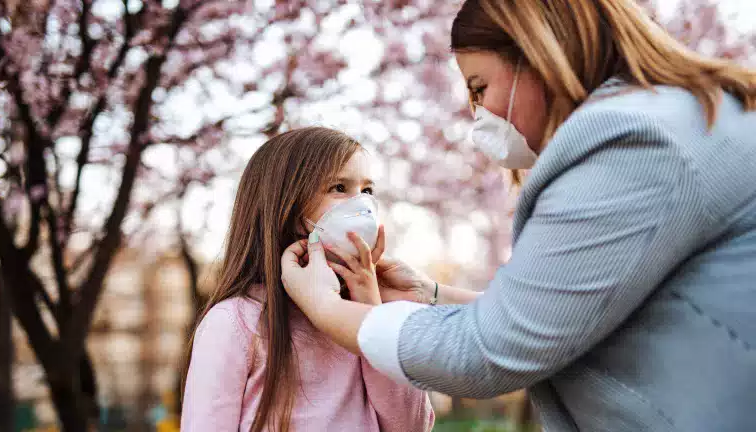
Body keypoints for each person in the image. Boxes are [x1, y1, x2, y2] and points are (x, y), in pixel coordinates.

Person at [280, 1, 756, 431]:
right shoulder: (677, 115)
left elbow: (487, 352)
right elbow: (558, 311)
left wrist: (327, 309)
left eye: (480, 87)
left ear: (536, 51)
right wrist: (431, 294)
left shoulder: (629, 137)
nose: (479, 112)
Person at [181, 127, 434, 431]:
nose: (362, 205)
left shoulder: (364, 316)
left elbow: (411, 425)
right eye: (339, 187)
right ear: (286, 203)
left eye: (367, 190)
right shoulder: (233, 322)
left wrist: (372, 311)